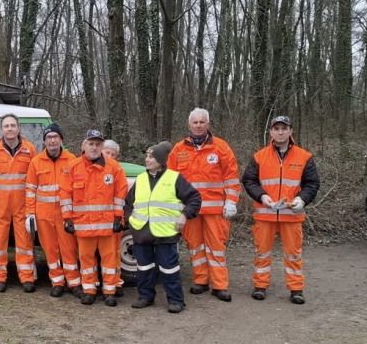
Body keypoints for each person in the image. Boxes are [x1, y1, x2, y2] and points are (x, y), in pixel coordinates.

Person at [241, 116, 320, 304]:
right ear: (271, 132)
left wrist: (302, 199)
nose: (280, 132)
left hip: (291, 215)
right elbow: (249, 180)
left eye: (284, 128)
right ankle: (260, 286)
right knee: (262, 253)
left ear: (291, 131)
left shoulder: (304, 156)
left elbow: (312, 183)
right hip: (265, 214)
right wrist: (262, 196)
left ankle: (296, 289)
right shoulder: (259, 156)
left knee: (293, 254)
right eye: (276, 128)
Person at [168, 108, 240, 302]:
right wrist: (174, 205)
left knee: (216, 246)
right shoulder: (179, 149)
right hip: (190, 210)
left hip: (216, 209)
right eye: (195, 122)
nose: (198, 125)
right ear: (189, 125)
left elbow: (231, 177)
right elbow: (170, 180)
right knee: (195, 246)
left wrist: (231, 201)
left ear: (208, 125)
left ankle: (219, 286)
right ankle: (200, 280)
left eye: (202, 122)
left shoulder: (221, 147)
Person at [125, 142, 202, 313]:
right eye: (147, 156)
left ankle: (175, 300)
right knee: (144, 268)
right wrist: (130, 220)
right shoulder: (141, 179)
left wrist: (184, 215)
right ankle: (145, 296)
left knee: (169, 269)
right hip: (141, 233)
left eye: (151, 156)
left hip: (166, 233)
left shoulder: (175, 178)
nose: (147, 159)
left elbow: (195, 199)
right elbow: (128, 203)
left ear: (161, 160)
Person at [60, 130, 128, 306]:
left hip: (106, 224)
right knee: (86, 258)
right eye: (91, 143)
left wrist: (118, 217)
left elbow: (121, 193)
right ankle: (89, 290)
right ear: (84, 145)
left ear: (102, 146)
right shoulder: (73, 167)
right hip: (83, 224)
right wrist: (67, 218)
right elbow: (65, 194)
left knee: (109, 259)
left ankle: (109, 291)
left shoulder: (114, 167)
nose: (94, 147)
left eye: (98, 144)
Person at [25, 123, 80, 297]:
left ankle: (74, 283)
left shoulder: (71, 159)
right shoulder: (36, 161)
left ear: (61, 139)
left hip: (65, 214)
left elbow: (78, 188)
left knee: (69, 248)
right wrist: (30, 214)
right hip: (43, 214)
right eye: (49, 137)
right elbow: (30, 189)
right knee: (50, 249)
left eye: (56, 137)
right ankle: (57, 281)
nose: (52, 140)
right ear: (44, 141)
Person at [0, 114, 37, 292]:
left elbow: (33, 177)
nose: (9, 129)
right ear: (1, 129)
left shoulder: (29, 149)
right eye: (6, 126)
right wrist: (2, 193)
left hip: (23, 202)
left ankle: (27, 278)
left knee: (25, 241)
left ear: (18, 128)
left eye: (12, 125)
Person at [101, 138, 125, 296]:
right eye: (107, 152)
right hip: (93, 220)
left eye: (113, 154)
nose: (109, 155)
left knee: (114, 252)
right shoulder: (89, 166)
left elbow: (120, 195)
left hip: (113, 218)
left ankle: (116, 282)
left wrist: (118, 218)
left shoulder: (117, 170)